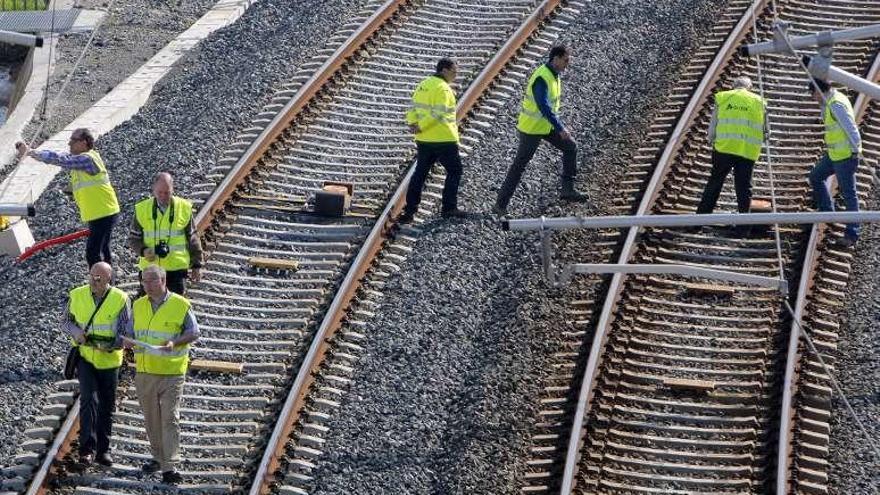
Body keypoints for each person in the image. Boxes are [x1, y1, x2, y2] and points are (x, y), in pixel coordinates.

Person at [124, 265, 199, 484]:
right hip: (146, 371)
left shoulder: (180, 304)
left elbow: (194, 331)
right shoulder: (138, 305)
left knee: (169, 419)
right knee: (152, 420)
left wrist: (174, 342)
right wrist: (127, 341)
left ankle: (170, 466)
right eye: (144, 281)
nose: (146, 285)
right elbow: (129, 332)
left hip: (172, 372)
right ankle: (158, 458)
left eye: (151, 281)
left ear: (163, 281)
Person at [493, 45, 587, 215]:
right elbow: (543, 106)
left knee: (570, 147)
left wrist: (558, 126)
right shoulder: (542, 77)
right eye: (566, 60)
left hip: (545, 126)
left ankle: (567, 190)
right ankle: (500, 205)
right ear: (556, 59)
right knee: (519, 165)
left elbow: (550, 107)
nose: (567, 64)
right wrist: (560, 127)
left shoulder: (554, 75)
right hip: (531, 129)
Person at [17, 128, 120, 267]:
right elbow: (60, 156)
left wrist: (32, 153)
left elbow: (62, 160)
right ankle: (106, 283)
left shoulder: (87, 159)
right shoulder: (83, 160)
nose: (69, 143)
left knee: (93, 253)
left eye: (73, 140)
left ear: (84, 142)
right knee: (102, 250)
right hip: (101, 211)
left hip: (103, 212)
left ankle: (101, 284)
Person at [61, 261, 130, 467]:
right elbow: (65, 321)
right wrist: (76, 333)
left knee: (107, 405)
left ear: (109, 279)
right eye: (92, 276)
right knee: (88, 400)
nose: (94, 280)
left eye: (99, 277)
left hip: (109, 360)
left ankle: (103, 450)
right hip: (86, 357)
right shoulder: (77, 294)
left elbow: (126, 331)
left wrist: (111, 345)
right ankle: (86, 450)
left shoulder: (120, 298)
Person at [398, 57, 466, 223]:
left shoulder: (424, 84)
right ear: (444, 70)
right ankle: (449, 208)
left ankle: (410, 211)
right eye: (454, 72)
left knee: (420, 173)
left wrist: (413, 123)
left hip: (424, 140)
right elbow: (438, 113)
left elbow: (413, 106)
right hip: (443, 138)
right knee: (455, 170)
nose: (455, 75)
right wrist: (421, 126)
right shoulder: (443, 89)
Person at [696, 76, 766, 218]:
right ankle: (744, 228)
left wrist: (711, 139)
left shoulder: (723, 97)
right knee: (744, 188)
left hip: (723, 149)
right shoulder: (759, 102)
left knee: (714, 183)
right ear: (750, 88)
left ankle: (699, 221)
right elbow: (766, 131)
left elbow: (714, 123)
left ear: (733, 86)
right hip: (746, 151)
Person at [808, 78, 862, 248]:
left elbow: (851, 128)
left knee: (849, 195)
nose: (812, 97)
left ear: (818, 91)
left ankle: (852, 234)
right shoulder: (831, 100)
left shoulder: (836, 104)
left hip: (845, 156)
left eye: (812, 94)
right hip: (834, 155)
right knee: (815, 176)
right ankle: (827, 212)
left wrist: (854, 153)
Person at [129, 172, 203, 295]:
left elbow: (193, 238)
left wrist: (197, 266)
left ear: (172, 190)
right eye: (160, 192)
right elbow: (133, 239)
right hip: (150, 270)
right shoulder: (142, 209)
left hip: (176, 270)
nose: (163, 196)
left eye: (167, 192)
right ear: (153, 190)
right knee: (147, 308)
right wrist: (143, 250)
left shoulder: (183, 208)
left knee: (175, 308)